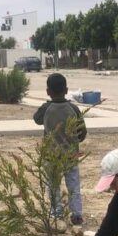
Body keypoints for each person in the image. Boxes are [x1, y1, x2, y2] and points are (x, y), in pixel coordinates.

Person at [33, 73, 88, 226]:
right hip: (70, 156)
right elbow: (82, 133)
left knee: (53, 186)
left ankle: (56, 215)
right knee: (73, 186)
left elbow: (36, 119)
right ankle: (76, 215)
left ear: (48, 91)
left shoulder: (46, 108)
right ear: (66, 90)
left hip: (51, 157)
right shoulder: (73, 108)